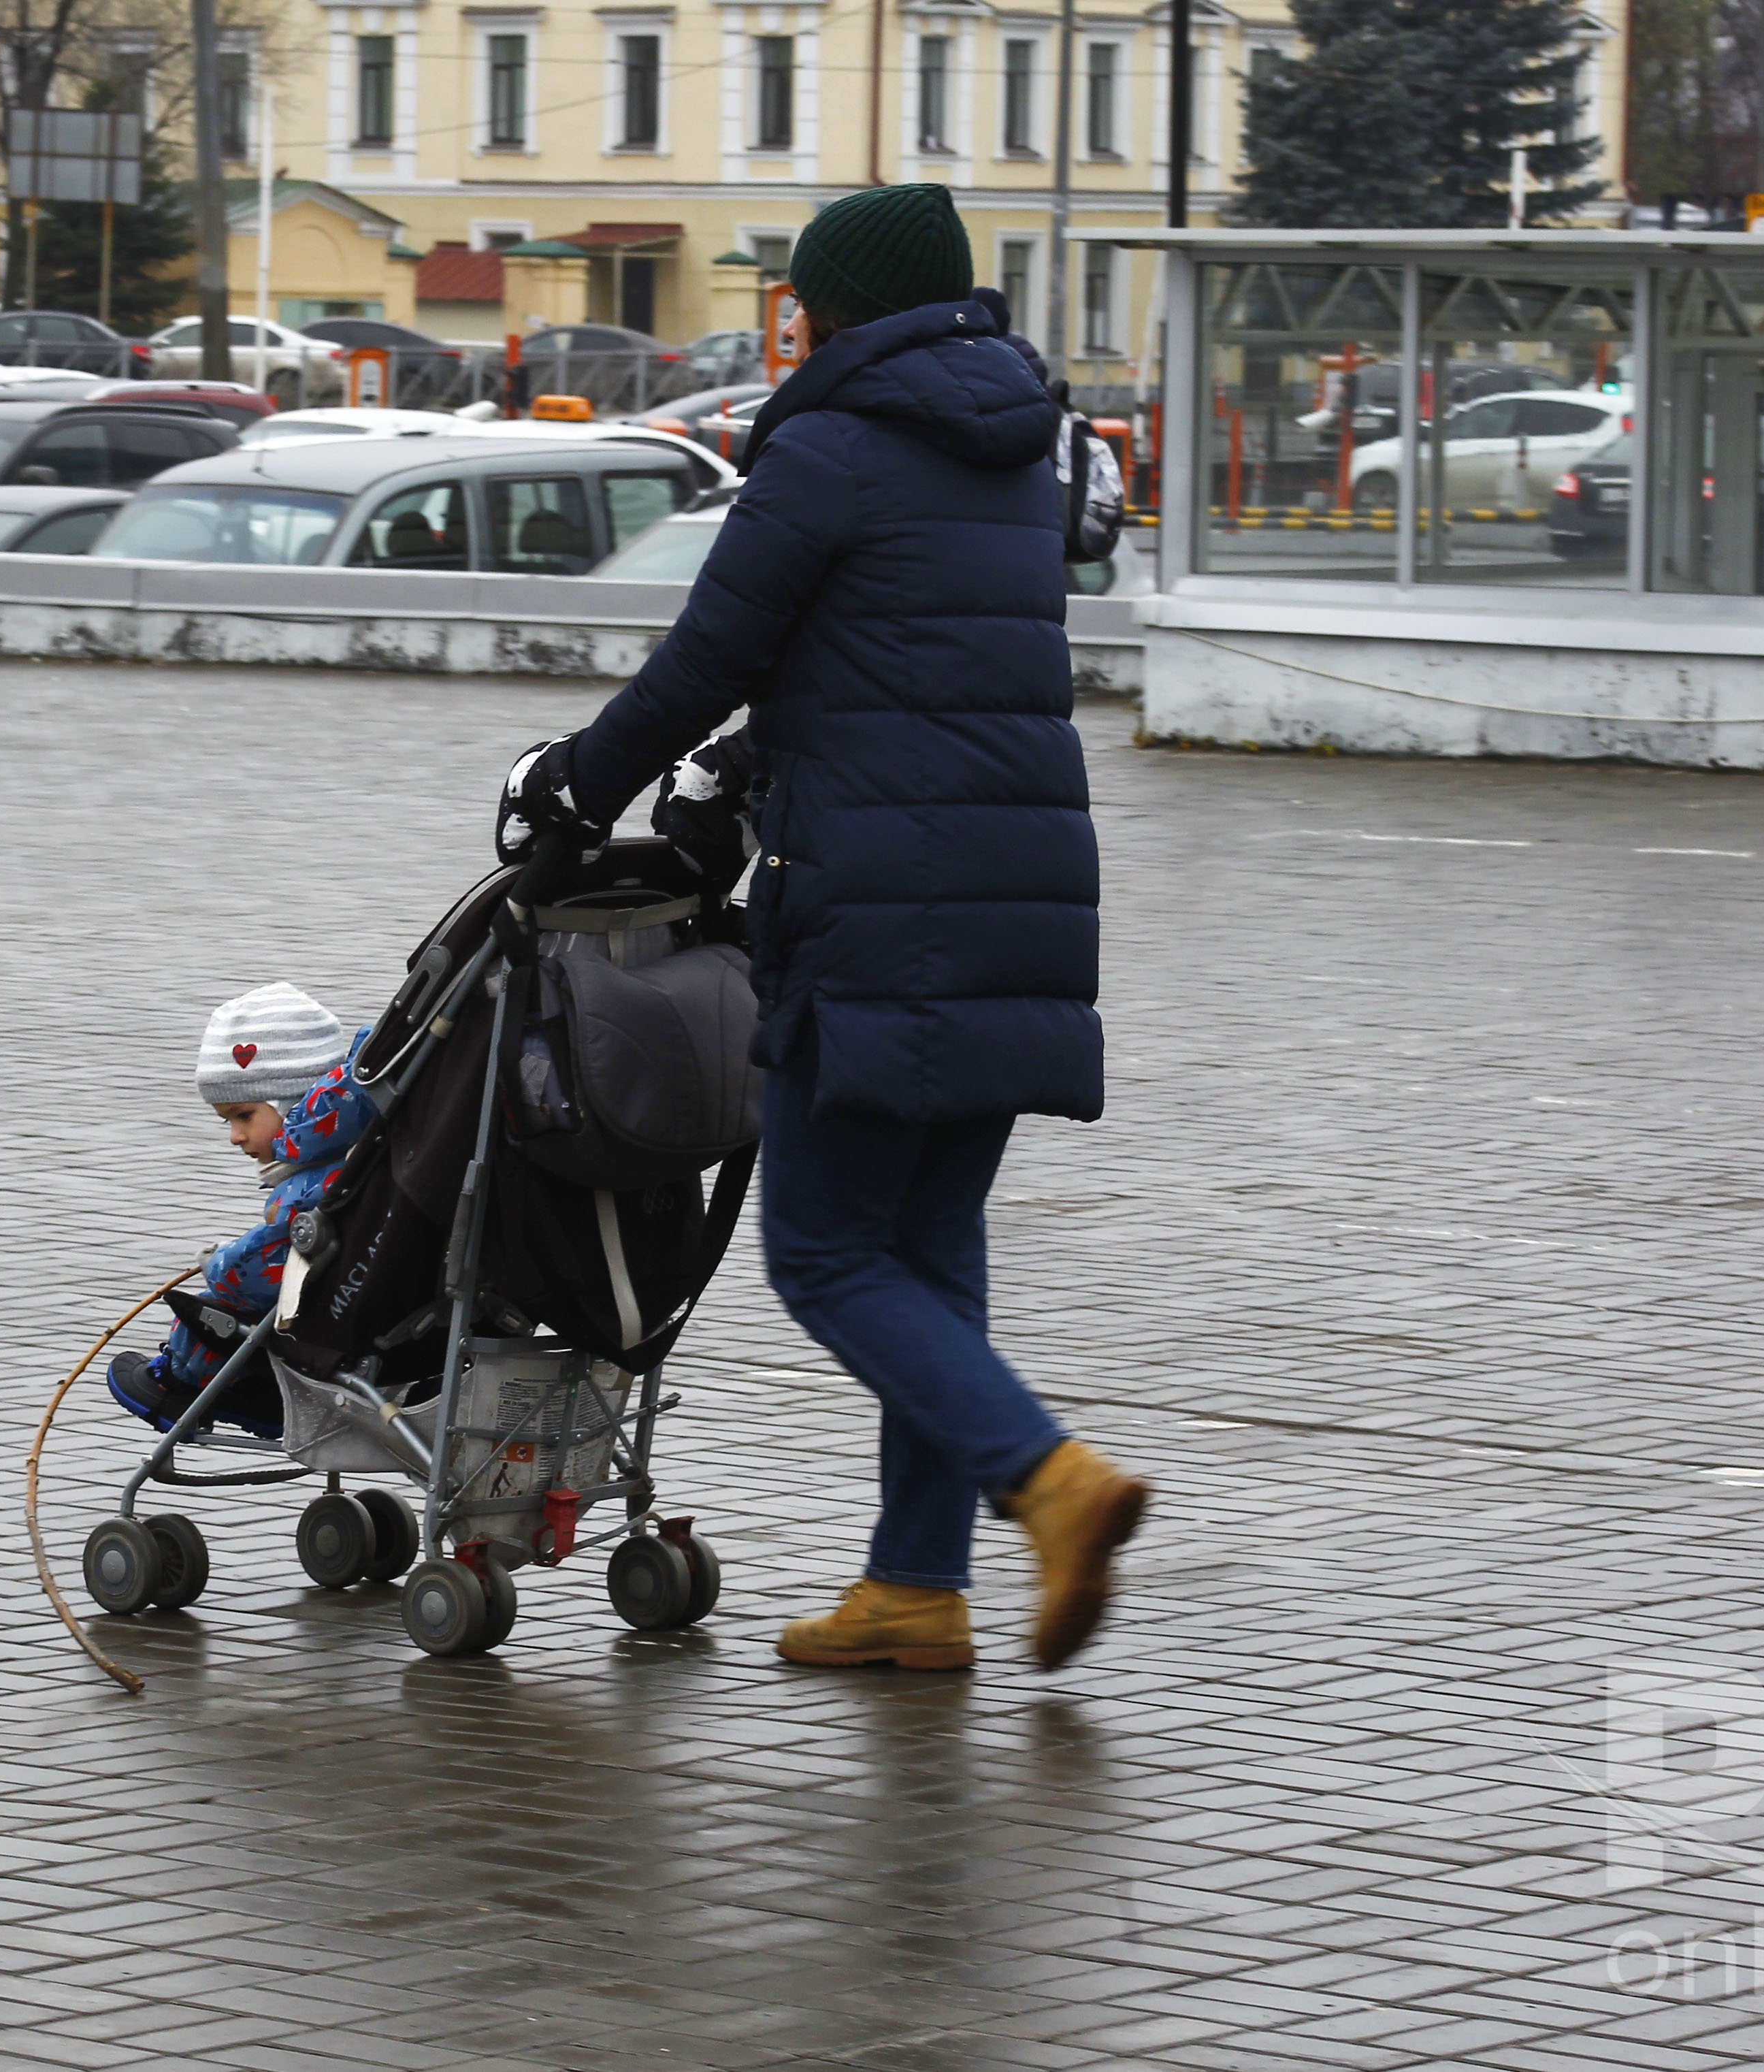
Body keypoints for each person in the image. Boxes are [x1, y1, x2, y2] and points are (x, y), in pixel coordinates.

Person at [491, 183, 1148, 1675]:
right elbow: (886, 657)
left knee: (828, 1252)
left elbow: (709, 653)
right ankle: (917, 1588)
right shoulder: (1015, 444)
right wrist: (743, 772)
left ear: (823, 309)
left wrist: (573, 786)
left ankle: (1049, 1480)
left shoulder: (836, 446)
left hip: (883, 910)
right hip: (1021, 904)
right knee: (928, 1247)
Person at [108, 983, 373, 1436]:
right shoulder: (360, 1159)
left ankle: (186, 1383)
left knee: (211, 1308)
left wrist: (216, 1262)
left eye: (244, 1116)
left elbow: (251, 1272)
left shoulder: (315, 1187)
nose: (235, 1136)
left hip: (314, 1343)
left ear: (296, 1103)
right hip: (354, 1313)